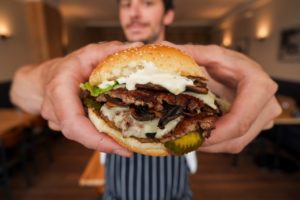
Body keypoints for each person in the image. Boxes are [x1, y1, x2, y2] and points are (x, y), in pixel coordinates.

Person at [10, 0, 282, 199]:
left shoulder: (201, 76)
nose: (134, 11)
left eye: (147, 2)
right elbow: (18, 89)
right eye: (126, 4)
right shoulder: (93, 68)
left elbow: (258, 111)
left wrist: (258, 109)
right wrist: (51, 75)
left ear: (168, 14)